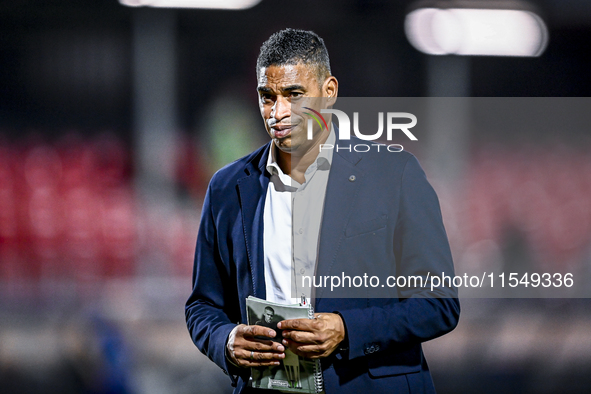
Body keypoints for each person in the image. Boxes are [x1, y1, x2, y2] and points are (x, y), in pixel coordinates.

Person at [186, 28, 460, 393]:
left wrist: (347, 329)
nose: (278, 112)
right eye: (268, 97)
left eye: (294, 95)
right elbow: (203, 304)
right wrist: (227, 340)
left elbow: (439, 303)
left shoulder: (395, 173)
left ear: (329, 92)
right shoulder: (226, 188)